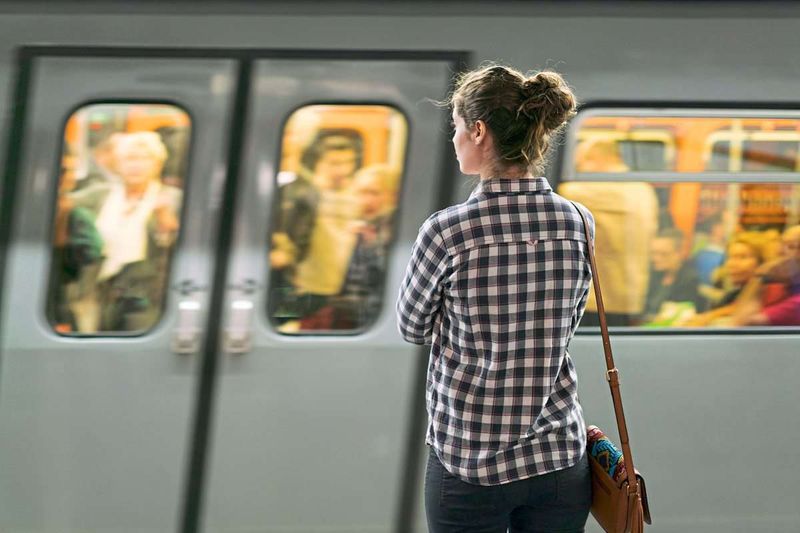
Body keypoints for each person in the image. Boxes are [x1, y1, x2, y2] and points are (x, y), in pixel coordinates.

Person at [397, 65, 592, 532]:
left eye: (458, 128)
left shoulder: (447, 232)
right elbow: (571, 318)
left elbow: (411, 327)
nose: (454, 139)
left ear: (479, 130)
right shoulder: (577, 223)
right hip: (559, 458)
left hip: (471, 464)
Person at [55, 131, 182, 332]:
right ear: (117, 164)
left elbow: (185, 249)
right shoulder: (99, 194)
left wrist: (167, 223)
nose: (136, 165)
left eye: (144, 158)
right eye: (129, 159)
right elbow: (62, 203)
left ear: (157, 164)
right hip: (97, 295)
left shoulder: (173, 199)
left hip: (144, 300)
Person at [559, 139, 659, 326]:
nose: (580, 170)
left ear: (597, 159)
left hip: (597, 299)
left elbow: (557, 193)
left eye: (581, 163)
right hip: (632, 296)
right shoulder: (644, 190)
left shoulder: (592, 190)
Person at [270, 129, 363, 328]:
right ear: (318, 163)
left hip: (340, 291)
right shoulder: (299, 195)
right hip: (302, 287)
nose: (343, 170)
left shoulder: (358, 196)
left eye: (349, 163)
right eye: (334, 163)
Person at [684, 236, 763, 327]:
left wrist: (709, 317)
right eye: (730, 257)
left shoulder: (766, 293)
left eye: (742, 257)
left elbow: (743, 307)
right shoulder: (733, 294)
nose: (732, 264)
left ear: (761, 262)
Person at [643, 228, 705, 324]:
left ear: (680, 253)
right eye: (653, 253)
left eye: (663, 254)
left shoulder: (689, 279)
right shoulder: (653, 274)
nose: (656, 258)